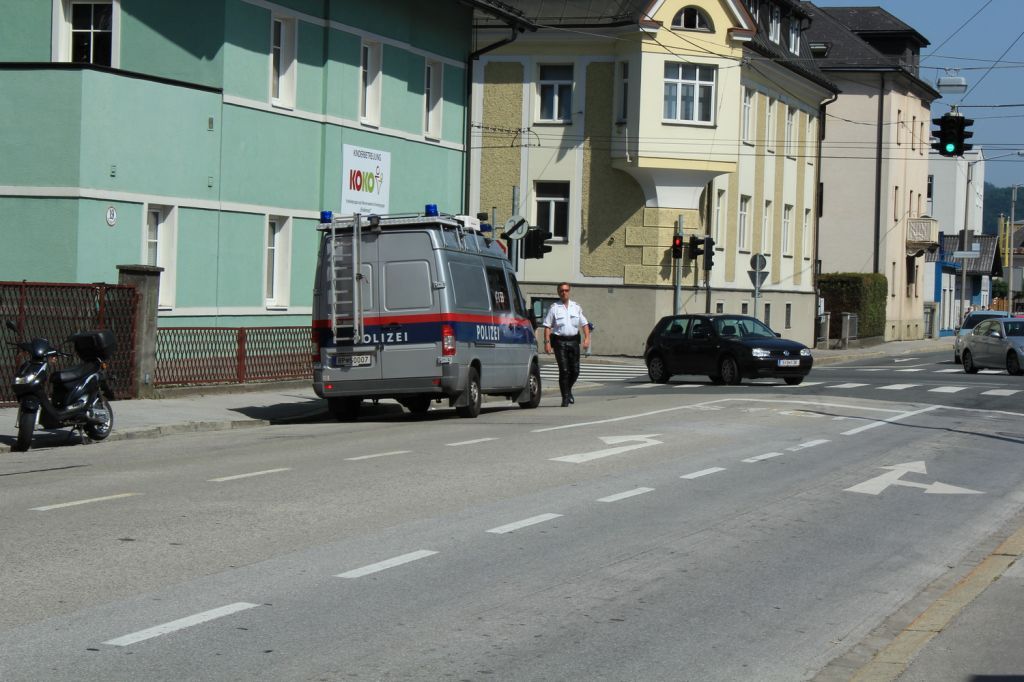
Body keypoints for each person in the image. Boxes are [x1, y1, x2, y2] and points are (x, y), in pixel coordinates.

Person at [543, 282, 590, 407]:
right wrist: (547, 343)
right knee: (564, 370)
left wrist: (587, 338)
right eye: (561, 291)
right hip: (560, 342)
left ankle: (568, 390)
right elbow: (547, 326)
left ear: (569, 291)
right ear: (558, 292)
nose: (564, 293)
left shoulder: (576, 307)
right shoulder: (554, 308)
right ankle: (565, 398)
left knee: (575, 371)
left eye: (566, 290)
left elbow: (584, 324)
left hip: (574, 341)